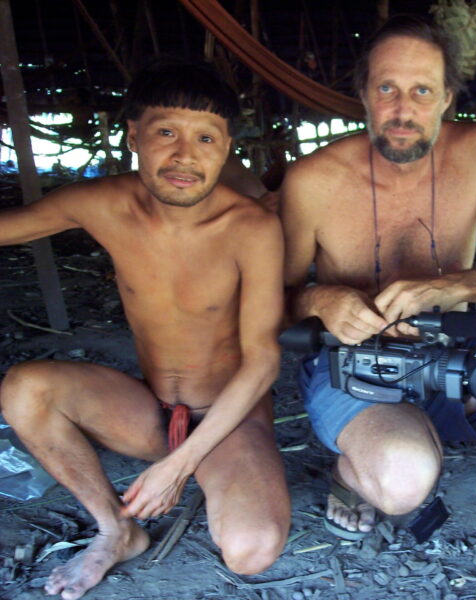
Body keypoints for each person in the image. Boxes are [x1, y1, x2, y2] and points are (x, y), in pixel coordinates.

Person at [280, 15, 476, 539]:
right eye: (387, 89)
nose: (403, 110)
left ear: (446, 98)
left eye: (422, 90)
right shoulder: (313, 179)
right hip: (357, 370)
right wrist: (322, 297)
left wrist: (455, 288)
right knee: (403, 482)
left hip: (451, 362)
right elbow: (273, 302)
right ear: (364, 94)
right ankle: (357, 466)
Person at [0, 60, 289, 600]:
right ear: (134, 136)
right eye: (165, 133)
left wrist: (180, 466)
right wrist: (170, 461)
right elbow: (8, 227)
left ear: (227, 148)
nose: (185, 155)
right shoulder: (102, 204)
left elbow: (263, 362)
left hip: (230, 418)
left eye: (206, 138)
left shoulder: (252, 227)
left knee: (252, 550)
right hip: (148, 412)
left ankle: (203, 471)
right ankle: (116, 530)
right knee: (24, 388)